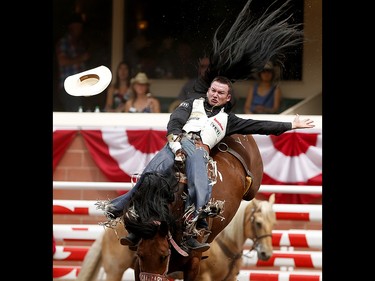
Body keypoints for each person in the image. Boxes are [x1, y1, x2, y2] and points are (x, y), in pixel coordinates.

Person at [101, 76, 314, 252]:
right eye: (213, 90)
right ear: (208, 90)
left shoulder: (229, 120)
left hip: (200, 150)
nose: (215, 95)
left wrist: (291, 124)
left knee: (200, 184)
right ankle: (124, 212)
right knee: (150, 175)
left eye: (220, 93)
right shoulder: (190, 103)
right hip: (177, 143)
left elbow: (259, 125)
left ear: (227, 97)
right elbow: (175, 120)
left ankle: (195, 228)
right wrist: (175, 143)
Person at [55, 12, 91, 112]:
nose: (79, 29)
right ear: (71, 27)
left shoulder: (80, 44)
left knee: (82, 112)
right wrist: (82, 58)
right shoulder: (64, 42)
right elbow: (62, 61)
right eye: (77, 27)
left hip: (82, 87)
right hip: (69, 86)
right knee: (74, 113)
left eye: (80, 27)